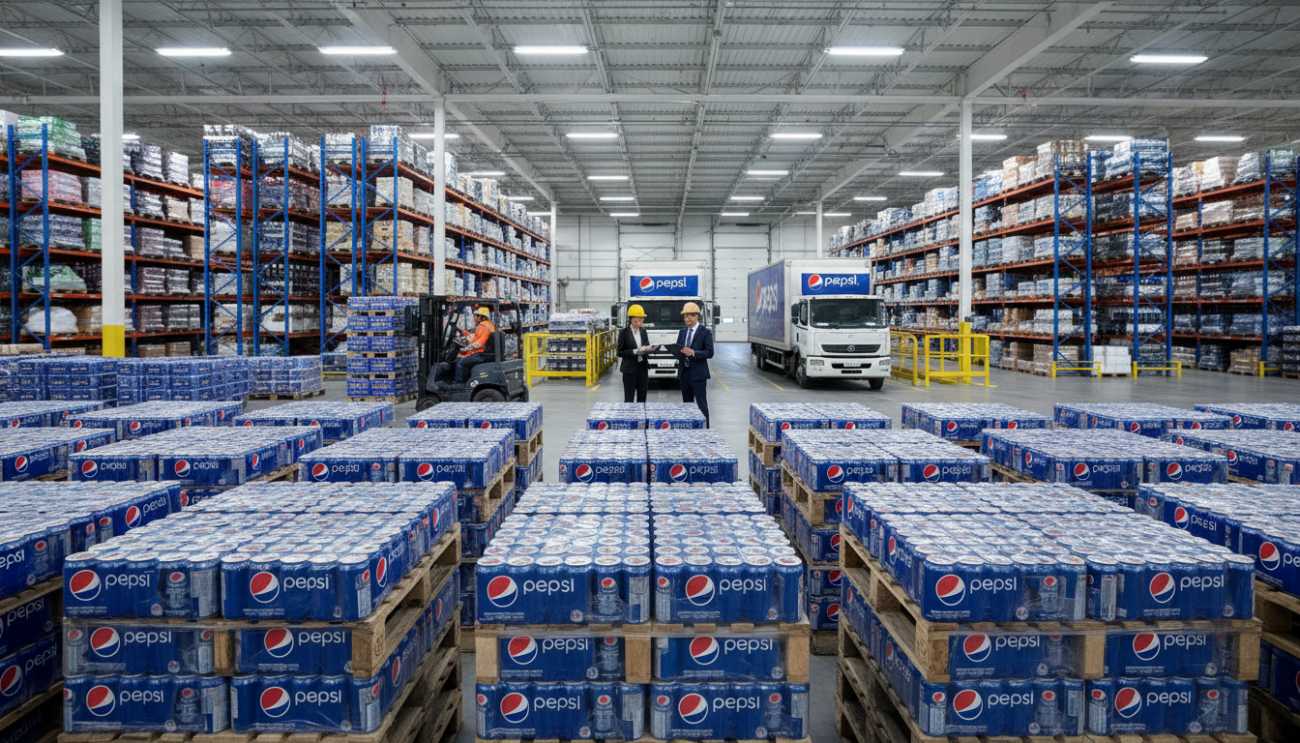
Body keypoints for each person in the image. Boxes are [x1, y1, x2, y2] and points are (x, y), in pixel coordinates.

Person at [668, 302, 714, 426]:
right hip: (685, 373)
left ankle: (705, 430)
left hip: (698, 374)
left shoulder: (705, 332)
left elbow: (709, 353)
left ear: (697, 316)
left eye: (691, 315)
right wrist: (675, 351)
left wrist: (693, 353)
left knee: (701, 404)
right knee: (687, 405)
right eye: (686, 316)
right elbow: (680, 349)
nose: (688, 318)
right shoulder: (682, 332)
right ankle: (690, 430)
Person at [617, 304, 656, 403]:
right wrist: (634, 352)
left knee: (642, 397)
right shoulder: (624, 333)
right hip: (629, 370)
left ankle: (641, 417)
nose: (639, 323)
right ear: (631, 319)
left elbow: (646, 345)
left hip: (642, 368)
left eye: (641, 320)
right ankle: (629, 417)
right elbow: (620, 352)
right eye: (636, 321)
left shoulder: (643, 332)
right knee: (629, 397)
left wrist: (650, 349)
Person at [454, 306, 495, 384]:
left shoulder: (482, 326)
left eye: (475, 316)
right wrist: (468, 334)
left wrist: (465, 349)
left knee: (460, 363)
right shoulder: (489, 325)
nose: (475, 318)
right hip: (486, 354)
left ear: (480, 317)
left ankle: (458, 383)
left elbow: (479, 344)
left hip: (481, 355)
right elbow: (481, 337)